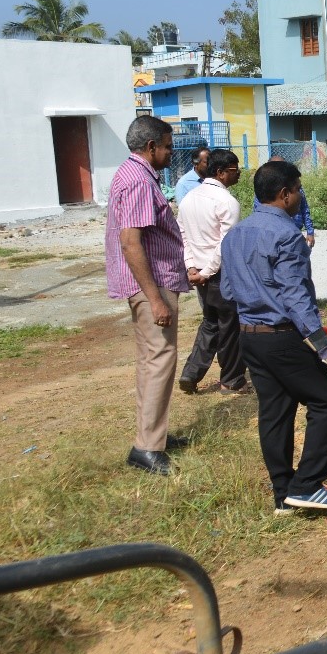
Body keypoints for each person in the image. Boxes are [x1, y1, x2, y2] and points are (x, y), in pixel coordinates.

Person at [221, 160, 327, 512]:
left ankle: (283, 493)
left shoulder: (235, 234)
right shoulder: (287, 235)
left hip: (249, 335)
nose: (300, 195)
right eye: (298, 189)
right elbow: (295, 298)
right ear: (284, 194)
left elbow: (229, 290)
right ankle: (307, 484)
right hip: (281, 336)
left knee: (275, 411)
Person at [105, 115, 191, 476]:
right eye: (168, 146)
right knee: (160, 360)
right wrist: (154, 298)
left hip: (148, 282)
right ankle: (147, 449)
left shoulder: (129, 173)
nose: (171, 153)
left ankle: (151, 435)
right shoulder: (140, 180)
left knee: (150, 360)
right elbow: (131, 242)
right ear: (151, 147)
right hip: (151, 284)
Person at [177, 148, 248, 395]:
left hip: (200, 274)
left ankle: (191, 373)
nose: (238, 173)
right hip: (219, 274)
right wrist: (206, 272)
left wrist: (192, 268)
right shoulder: (227, 202)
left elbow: (183, 237)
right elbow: (225, 244)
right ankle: (232, 380)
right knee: (230, 328)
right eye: (234, 169)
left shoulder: (189, 198)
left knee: (210, 323)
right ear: (220, 172)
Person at [253, 154, 315, 249]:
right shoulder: (263, 191)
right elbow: (258, 213)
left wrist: (310, 232)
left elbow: (304, 209)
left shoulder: (295, 187)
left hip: (295, 231)